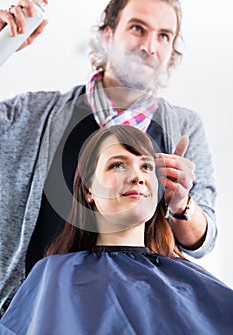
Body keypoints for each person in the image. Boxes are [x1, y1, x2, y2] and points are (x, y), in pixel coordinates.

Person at [0, 0, 217, 316]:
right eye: (137, 28)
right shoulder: (32, 114)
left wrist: (182, 204)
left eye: (163, 36)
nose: (149, 46)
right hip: (30, 315)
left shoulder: (184, 129)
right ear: (106, 35)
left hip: (135, 316)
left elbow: (204, 238)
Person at [0, 125, 231, 335]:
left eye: (147, 167)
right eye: (118, 165)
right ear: (89, 190)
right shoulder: (52, 276)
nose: (137, 177)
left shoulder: (189, 281)